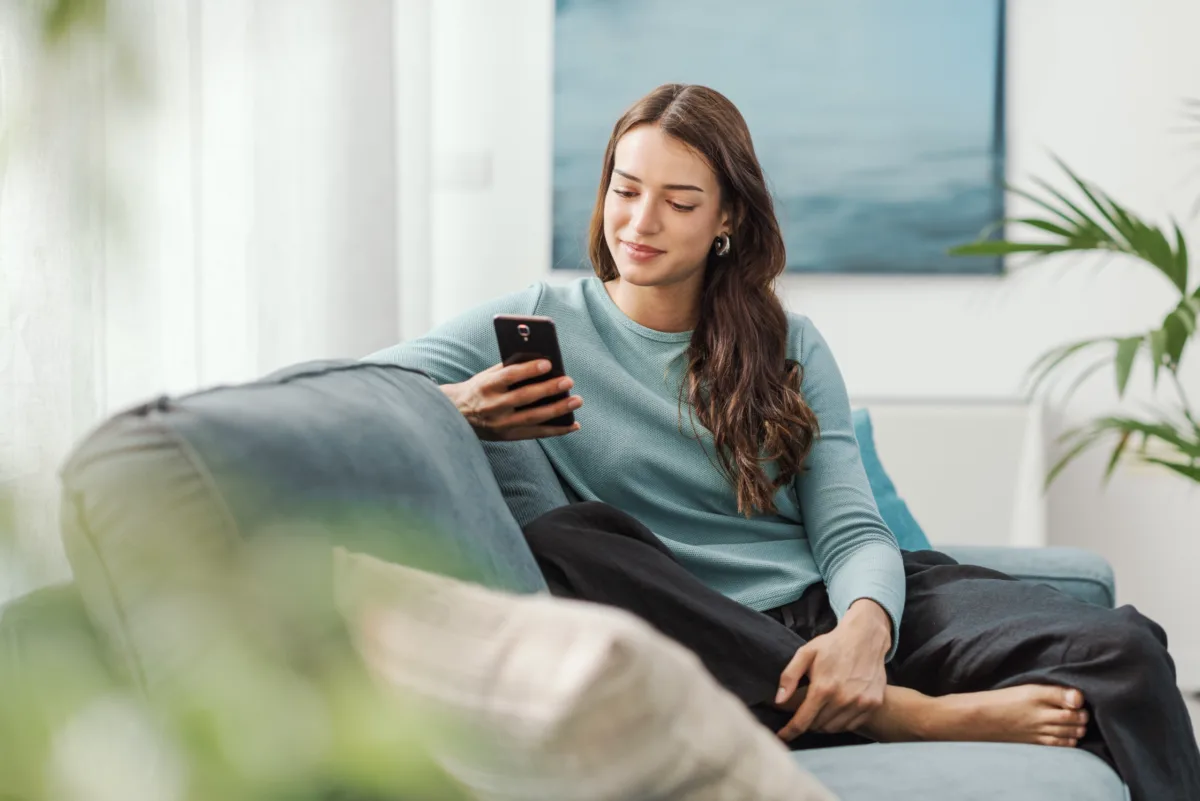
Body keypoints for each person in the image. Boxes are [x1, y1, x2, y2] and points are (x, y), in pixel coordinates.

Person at [369, 83, 1200, 800]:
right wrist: (464, 404)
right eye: (625, 190)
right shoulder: (532, 319)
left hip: (817, 605)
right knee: (567, 540)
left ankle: (866, 685)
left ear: (727, 216)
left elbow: (848, 527)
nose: (640, 221)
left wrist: (862, 631)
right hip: (695, 621)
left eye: (679, 201)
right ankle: (900, 718)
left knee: (1124, 647)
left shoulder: (788, 341)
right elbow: (356, 388)